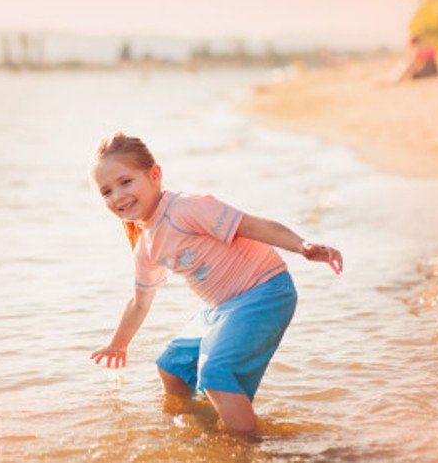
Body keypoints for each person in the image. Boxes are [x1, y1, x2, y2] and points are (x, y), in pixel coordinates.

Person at [89, 133, 343, 433]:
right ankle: (199, 429)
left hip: (265, 291)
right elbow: (139, 302)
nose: (117, 196)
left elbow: (251, 225)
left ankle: (248, 447)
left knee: (216, 374)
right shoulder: (145, 246)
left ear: (154, 175)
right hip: (223, 308)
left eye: (126, 182)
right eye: (106, 191)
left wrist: (302, 246)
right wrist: (119, 345)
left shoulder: (184, 208)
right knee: (172, 368)